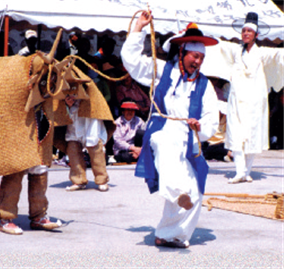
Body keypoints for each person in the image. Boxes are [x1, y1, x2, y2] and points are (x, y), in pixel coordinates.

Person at [121, 11, 219, 248]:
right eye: (194, 56)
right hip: (163, 131)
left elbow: (211, 119)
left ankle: (168, 235)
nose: (197, 62)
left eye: (201, 58)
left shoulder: (205, 85)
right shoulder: (161, 70)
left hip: (189, 139)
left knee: (195, 192)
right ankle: (176, 192)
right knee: (167, 145)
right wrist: (138, 29)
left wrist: (200, 127)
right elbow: (131, 60)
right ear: (183, 52)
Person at [215, 12, 284, 184]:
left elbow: (280, 55)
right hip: (237, 101)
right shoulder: (235, 51)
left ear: (256, 35)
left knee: (252, 135)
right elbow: (218, 46)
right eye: (244, 31)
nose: (245, 33)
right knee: (237, 134)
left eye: (249, 31)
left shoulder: (262, 54)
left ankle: (246, 171)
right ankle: (239, 171)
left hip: (254, 102)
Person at [63, 94, 110, 192]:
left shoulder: (91, 86)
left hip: (90, 117)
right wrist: (67, 104)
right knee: (73, 150)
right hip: (73, 119)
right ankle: (78, 180)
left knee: (95, 150)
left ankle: (102, 180)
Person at [112, 99, 146, 163]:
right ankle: (137, 155)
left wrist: (140, 149)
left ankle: (139, 154)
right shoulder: (117, 123)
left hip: (137, 148)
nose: (130, 112)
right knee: (127, 157)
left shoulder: (139, 121)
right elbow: (117, 141)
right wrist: (132, 148)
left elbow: (146, 134)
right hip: (122, 149)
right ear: (123, 111)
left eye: (132, 110)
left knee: (141, 132)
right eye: (127, 110)